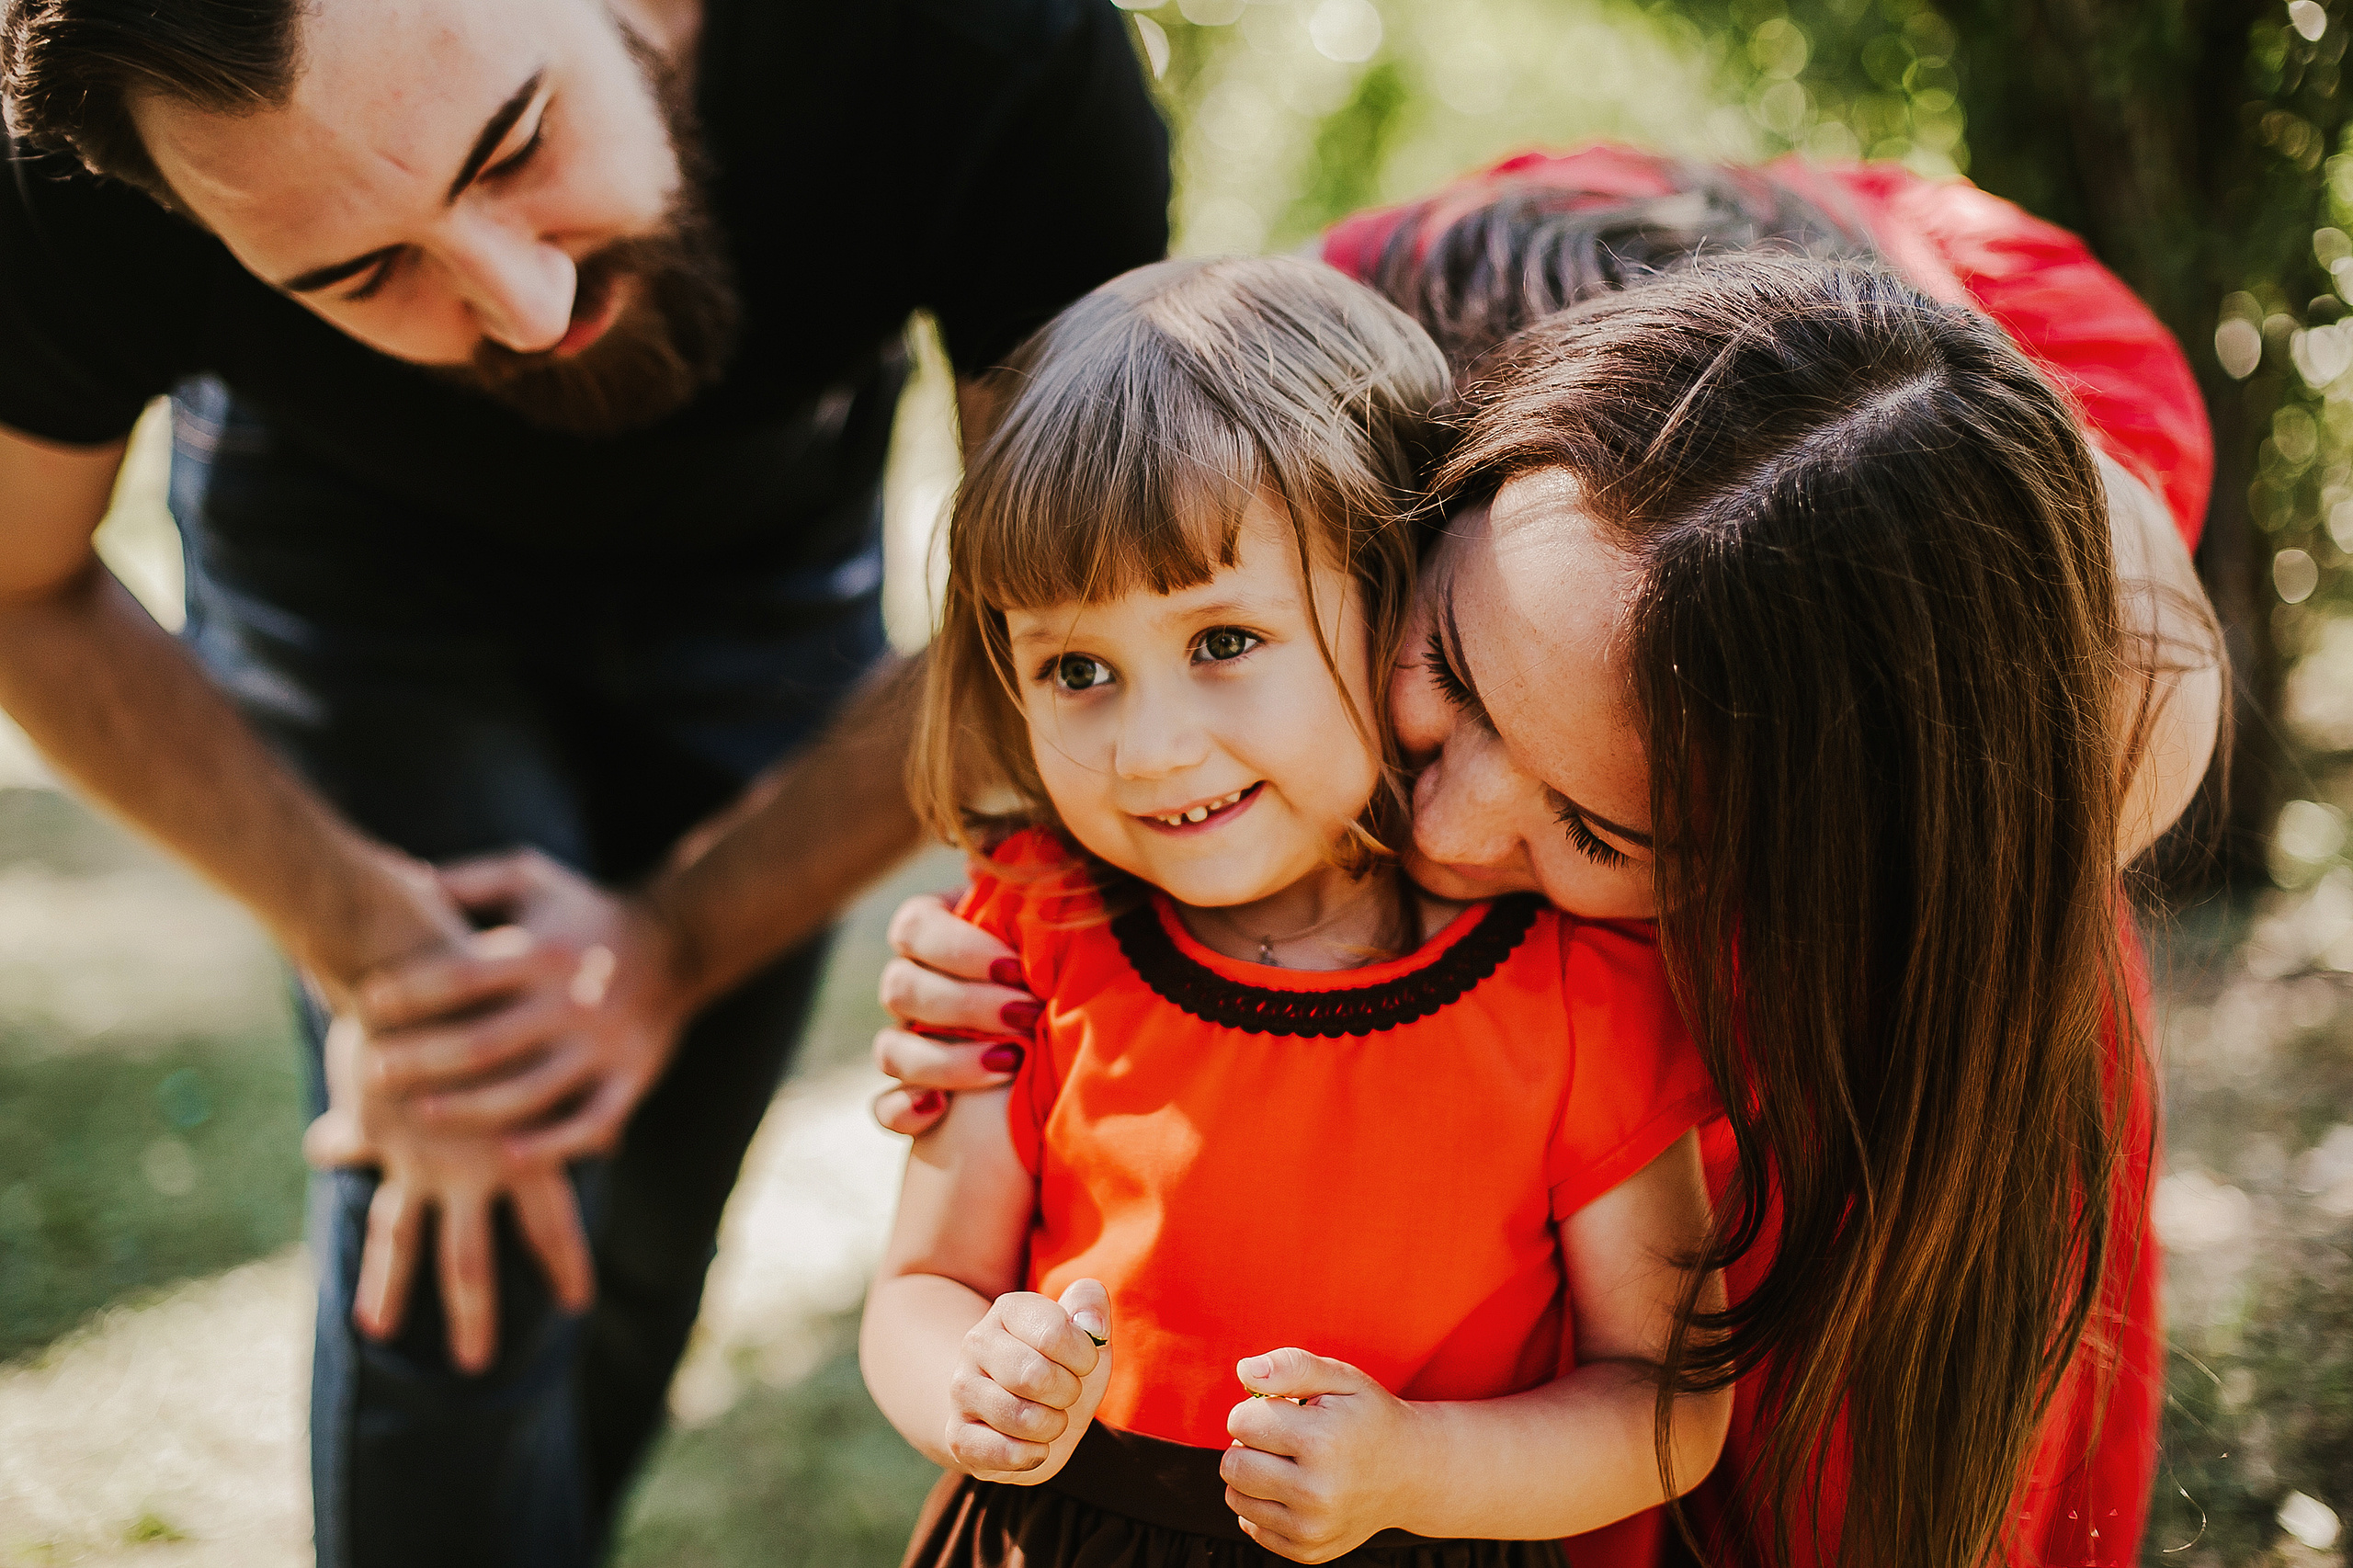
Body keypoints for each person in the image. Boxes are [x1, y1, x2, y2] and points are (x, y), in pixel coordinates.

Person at [871, 154, 2223, 1568]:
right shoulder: (1308, 371)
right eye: (1449, 665)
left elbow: (1661, 1399)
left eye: (1597, 828)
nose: (1440, 836)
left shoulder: (1720, 976)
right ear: (1401, 512)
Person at [0, 1, 1166, 1562]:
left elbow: (1078, 605)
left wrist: (678, 946)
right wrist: (377, 941)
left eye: (519, 143)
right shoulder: (72, 157)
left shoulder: (983, 42)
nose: (527, 298)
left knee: (642, 1244)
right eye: (362, 273)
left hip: (769, 576)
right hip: (354, 580)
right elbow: (18, 582)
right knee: (480, 1204)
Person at [859, 253, 1731, 1568]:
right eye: (1077, 667)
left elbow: (1664, 1405)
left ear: (1395, 592)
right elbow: (920, 1290)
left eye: (1222, 642)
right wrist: (973, 1393)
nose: (1149, 748)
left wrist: (1413, 1464)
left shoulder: (1571, 985)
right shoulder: (1030, 935)